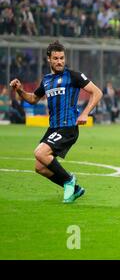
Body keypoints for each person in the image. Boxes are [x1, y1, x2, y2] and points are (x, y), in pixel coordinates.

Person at [9, 41, 103, 203]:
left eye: (62, 58)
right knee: (40, 167)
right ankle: (75, 189)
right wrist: (19, 90)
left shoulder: (73, 76)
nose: (59, 61)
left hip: (68, 127)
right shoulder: (46, 80)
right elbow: (32, 99)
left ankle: (69, 180)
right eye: (56, 58)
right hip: (53, 128)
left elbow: (97, 92)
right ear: (49, 60)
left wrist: (85, 113)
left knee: (40, 152)